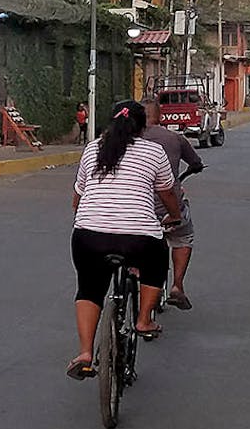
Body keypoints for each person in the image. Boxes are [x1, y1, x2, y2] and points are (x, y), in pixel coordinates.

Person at [67, 100, 182, 381]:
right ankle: (143, 320)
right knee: (156, 263)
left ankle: (84, 354)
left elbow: (77, 198)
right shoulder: (153, 151)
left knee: (89, 289)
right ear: (142, 126)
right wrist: (175, 216)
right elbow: (167, 194)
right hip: (139, 237)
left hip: (88, 236)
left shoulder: (93, 148)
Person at [141, 97, 203, 310]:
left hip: (137, 207)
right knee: (183, 236)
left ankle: (136, 273)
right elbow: (195, 163)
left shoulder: (124, 138)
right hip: (167, 207)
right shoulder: (174, 138)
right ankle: (177, 286)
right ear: (160, 115)